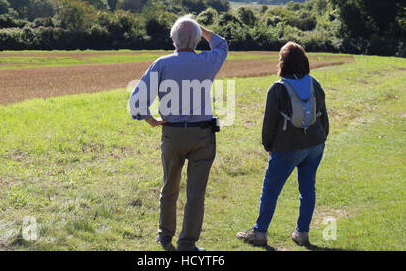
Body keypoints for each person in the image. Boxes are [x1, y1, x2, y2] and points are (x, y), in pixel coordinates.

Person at [129, 16, 229, 251]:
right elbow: (222, 44)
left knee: (169, 187)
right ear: (196, 41)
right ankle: (187, 243)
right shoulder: (207, 60)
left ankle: (165, 235)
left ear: (173, 39)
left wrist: (148, 118)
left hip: (172, 134)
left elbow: (137, 98)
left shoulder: (162, 64)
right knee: (196, 193)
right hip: (203, 135)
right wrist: (199, 28)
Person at [236, 41, 329, 247]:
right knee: (307, 189)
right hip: (315, 144)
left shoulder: (277, 88)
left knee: (270, 189)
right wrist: (322, 138)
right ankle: (302, 233)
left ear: (283, 63)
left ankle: (259, 233)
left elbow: (269, 124)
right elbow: (324, 116)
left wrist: (268, 146)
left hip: (287, 147)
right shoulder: (314, 83)